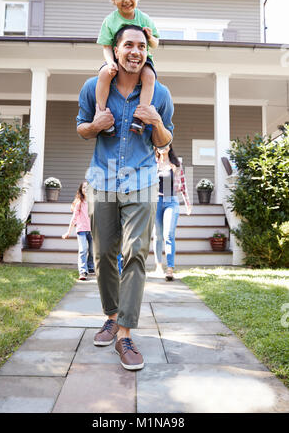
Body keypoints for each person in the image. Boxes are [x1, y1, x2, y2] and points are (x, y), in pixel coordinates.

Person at [76, 25, 174, 371]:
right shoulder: (94, 88)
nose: (135, 51)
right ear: (115, 50)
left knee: (135, 254)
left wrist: (156, 121)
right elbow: (81, 127)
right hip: (102, 179)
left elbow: (163, 142)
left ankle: (125, 334)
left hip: (143, 180)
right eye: (128, 45)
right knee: (103, 254)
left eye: (142, 46)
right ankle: (112, 316)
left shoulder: (159, 93)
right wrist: (95, 124)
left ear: (148, 51)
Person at [96, 0, 159, 135]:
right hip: (117, 59)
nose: (126, 0)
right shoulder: (110, 21)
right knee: (103, 74)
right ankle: (101, 113)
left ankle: (140, 117)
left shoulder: (144, 18)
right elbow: (106, 46)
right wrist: (110, 63)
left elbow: (155, 43)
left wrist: (150, 37)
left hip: (142, 61)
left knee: (149, 76)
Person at [153, 145, 191, 281]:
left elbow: (183, 183)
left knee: (168, 234)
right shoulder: (153, 163)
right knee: (157, 235)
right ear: (156, 149)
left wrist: (187, 203)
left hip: (171, 201)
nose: (162, 147)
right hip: (156, 201)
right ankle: (158, 265)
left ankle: (170, 268)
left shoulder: (175, 164)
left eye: (165, 145)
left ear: (169, 147)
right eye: (159, 146)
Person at [62, 181, 95, 281]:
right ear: (81, 190)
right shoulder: (79, 203)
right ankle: (82, 271)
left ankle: (90, 266)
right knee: (83, 250)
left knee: (92, 251)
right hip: (81, 230)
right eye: (84, 188)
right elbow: (74, 218)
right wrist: (68, 232)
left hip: (92, 230)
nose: (86, 189)